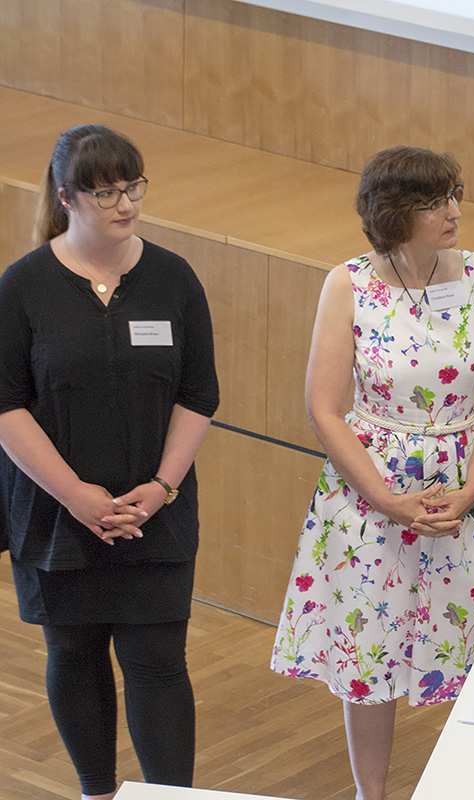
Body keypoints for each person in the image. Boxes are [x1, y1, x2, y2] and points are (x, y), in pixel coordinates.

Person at [270, 145, 474, 800]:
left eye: (455, 194)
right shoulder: (347, 283)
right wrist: (386, 499)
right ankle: (373, 794)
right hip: (371, 497)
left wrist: (470, 491)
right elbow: (325, 409)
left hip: (468, 493)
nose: (454, 211)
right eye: (437, 201)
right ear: (394, 214)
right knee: (372, 652)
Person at [0, 125, 220, 800]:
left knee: (158, 666)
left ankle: (168, 799)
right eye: (104, 192)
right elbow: (7, 407)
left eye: (132, 187)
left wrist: (160, 487)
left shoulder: (173, 278)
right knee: (74, 655)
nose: (124, 204)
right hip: (58, 518)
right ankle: (97, 791)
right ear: (67, 198)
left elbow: (198, 393)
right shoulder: (24, 286)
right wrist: (77, 497)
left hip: (155, 516)